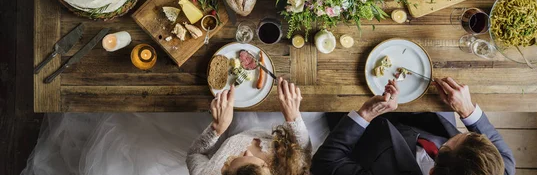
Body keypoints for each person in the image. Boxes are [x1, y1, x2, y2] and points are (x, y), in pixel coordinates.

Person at [311, 77, 516, 175]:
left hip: (364, 133)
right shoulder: (499, 171)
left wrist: (366, 113)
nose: (460, 132)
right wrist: (467, 110)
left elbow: (324, 163)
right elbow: (506, 158)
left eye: (454, 139)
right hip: (425, 116)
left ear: (433, 172)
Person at [187, 77, 315, 175]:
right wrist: (293, 118)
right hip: (275, 131)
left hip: (233, 132)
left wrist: (216, 128)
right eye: (264, 165)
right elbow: (303, 153)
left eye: (231, 163)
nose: (246, 151)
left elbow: (194, 154)